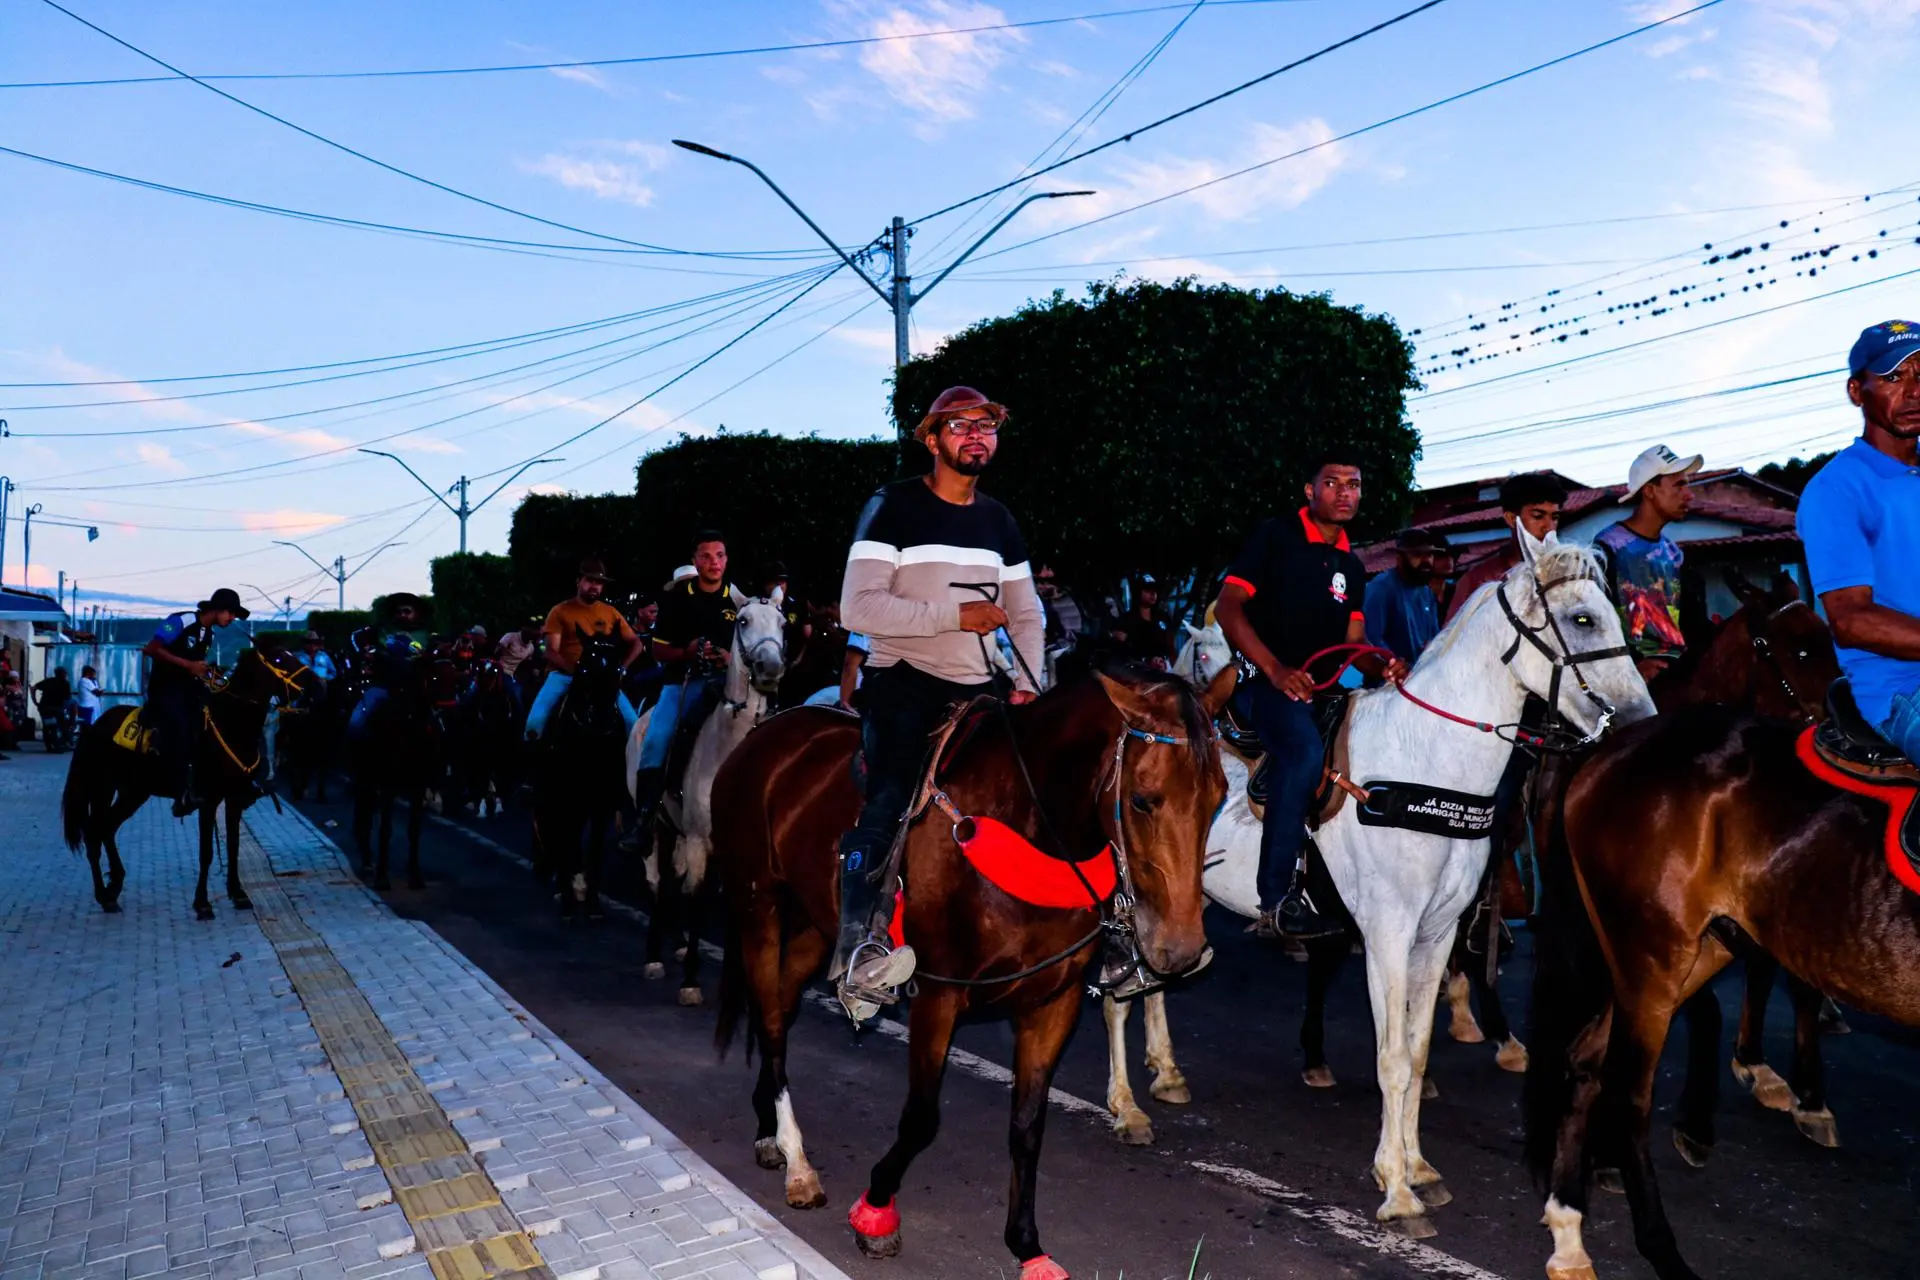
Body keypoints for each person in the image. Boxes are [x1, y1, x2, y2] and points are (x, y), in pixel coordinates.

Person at [832, 384, 1045, 1020]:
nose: (976, 435)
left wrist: (1028, 681)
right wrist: (957, 615)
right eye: (959, 426)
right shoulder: (891, 505)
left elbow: (1026, 610)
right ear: (931, 440)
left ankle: (1105, 920)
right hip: (904, 679)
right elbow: (857, 608)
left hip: (983, 689)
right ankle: (860, 948)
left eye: (986, 425)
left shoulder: (999, 520)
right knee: (892, 793)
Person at [1216, 453, 1407, 939]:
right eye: (1332, 483)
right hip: (1263, 684)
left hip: (1324, 691)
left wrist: (1383, 664)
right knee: (1302, 753)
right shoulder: (1275, 537)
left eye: (1354, 484)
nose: (1345, 493)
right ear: (1310, 490)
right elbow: (1228, 608)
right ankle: (1275, 900)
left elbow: (1355, 642)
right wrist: (1275, 669)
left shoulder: (1353, 566)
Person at [1797, 320, 1920, 760]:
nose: (1914, 391)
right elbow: (1850, 620)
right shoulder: (1836, 489)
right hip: (1903, 690)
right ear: (1856, 391)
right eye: (1893, 377)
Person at [634, 532, 739, 818]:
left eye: (719, 555)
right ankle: (644, 817)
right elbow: (658, 651)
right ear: (695, 560)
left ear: (726, 560)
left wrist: (730, 658)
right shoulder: (675, 599)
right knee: (656, 739)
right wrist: (687, 652)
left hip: (729, 684)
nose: (714, 562)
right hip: (682, 683)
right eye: (706, 556)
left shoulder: (738, 599)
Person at [1593, 443, 1700, 679]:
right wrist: (1632, 665)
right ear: (1649, 490)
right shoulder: (1607, 548)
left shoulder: (1674, 554)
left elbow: (1693, 622)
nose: (1689, 495)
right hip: (1630, 684)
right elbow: (1589, 620)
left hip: (1680, 677)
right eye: (1679, 485)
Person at [144, 588, 248, 816]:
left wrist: (215, 679)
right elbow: (151, 649)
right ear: (218, 608)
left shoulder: (209, 634)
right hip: (165, 687)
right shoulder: (181, 621)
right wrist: (187, 665)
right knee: (181, 727)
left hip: (188, 688)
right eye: (231, 613)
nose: (232, 619)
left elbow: (197, 668)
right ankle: (179, 791)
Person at [525, 559, 642, 740]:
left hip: (603, 679)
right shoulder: (560, 611)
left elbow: (636, 643)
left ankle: (634, 757)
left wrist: (621, 668)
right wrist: (579, 672)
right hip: (564, 675)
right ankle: (531, 753)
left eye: (599, 582)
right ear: (579, 581)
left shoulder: (611, 612)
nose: (594, 586)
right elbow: (551, 651)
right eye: (590, 580)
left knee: (633, 723)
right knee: (535, 723)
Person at [1446, 472, 1568, 621]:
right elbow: (1454, 633)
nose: (1549, 527)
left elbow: (1585, 620)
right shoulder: (1478, 580)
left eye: (1555, 517)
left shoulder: (1568, 575)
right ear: (1511, 519)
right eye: (1538, 516)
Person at [347, 593, 430, 741]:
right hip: (382, 686)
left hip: (416, 688)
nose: (402, 615)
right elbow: (354, 637)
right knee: (356, 723)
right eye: (398, 612)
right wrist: (363, 654)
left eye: (407, 611)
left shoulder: (427, 633)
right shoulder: (381, 629)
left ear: (416, 613)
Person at [1363, 529, 1443, 665]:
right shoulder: (1382, 588)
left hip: (1423, 673)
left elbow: (1434, 637)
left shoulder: (1426, 592)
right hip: (1389, 675)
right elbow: (1371, 638)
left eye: (1429, 555)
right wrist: (1395, 664)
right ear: (1399, 558)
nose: (1426, 561)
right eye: (1417, 555)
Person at [1109, 573, 1175, 669]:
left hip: (1165, 668)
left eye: (1155, 590)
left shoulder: (1163, 618)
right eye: (1148, 590)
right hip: (1139, 671)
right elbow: (1121, 653)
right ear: (1138, 593)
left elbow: (1171, 648)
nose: (1153, 594)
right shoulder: (1126, 621)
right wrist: (1147, 662)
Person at [32, 666, 73, 746]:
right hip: (56, 708)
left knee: (47, 726)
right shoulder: (65, 683)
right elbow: (67, 698)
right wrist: (64, 708)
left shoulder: (48, 681)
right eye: (65, 673)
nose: (66, 675)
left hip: (45, 707)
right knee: (61, 725)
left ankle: (49, 745)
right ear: (63, 674)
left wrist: (35, 701)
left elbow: (33, 688)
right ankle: (65, 742)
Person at [74, 665, 102, 729]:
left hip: (86, 706)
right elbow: (97, 692)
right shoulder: (85, 681)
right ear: (88, 673)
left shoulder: (86, 681)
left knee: (85, 724)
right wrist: (101, 692)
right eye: (93, 673)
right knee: (86, 725)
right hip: (86, 707)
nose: (94, 675)